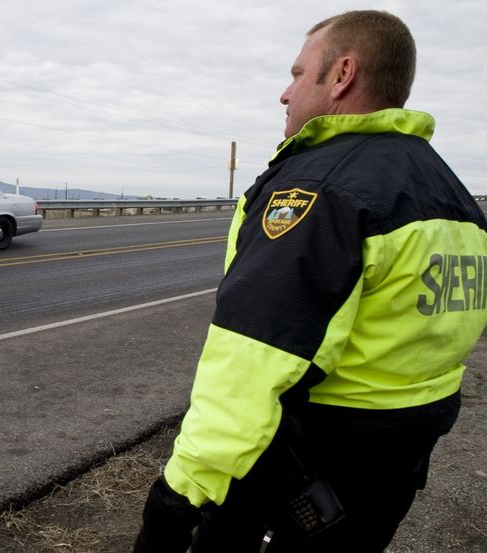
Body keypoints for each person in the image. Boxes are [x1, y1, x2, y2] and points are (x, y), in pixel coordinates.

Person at [134, 10, 487, 553]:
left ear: (342, 75)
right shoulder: (452, 193)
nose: (284, 93)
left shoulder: (320, 190)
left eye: (298, 74)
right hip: (397, 463)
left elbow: (250, 364)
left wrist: (179, 497)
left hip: (311, 462)